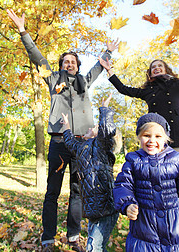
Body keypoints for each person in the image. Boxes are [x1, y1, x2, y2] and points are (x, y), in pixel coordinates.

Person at [6, 9, 118, 252]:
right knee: (52, 193)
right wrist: (23, 31)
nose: (70, 64)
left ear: (77, 66)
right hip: (59, 142)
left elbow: (99, 67)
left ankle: (73, 236)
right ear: (61, 66)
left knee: (77, 192)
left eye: (73, 62)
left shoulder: (84, 83)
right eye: (66, 61)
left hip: (83, 145)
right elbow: (37, 57)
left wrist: (108, 51)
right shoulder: (53, 80)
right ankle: (48, 239)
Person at [113, 112, 179, 251]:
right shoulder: (133, 160)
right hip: (145, 233)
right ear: (139, 137)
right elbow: (123, 185)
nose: (152, 140)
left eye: (158, 136)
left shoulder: (175, 159)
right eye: (146, 136)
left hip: (178, 232)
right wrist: (127, 204)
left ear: (165, 138)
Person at [60, 93, 119, 252]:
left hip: (106, 208)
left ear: (99, 133)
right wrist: (66, 125)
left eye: (94, 127)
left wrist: (104, 109)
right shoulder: (81, 147)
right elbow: (70, 142)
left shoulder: (100, 146)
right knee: (97, 246)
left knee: (94, 247)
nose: (89, 127)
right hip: (93, 209)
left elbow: (106, 129)